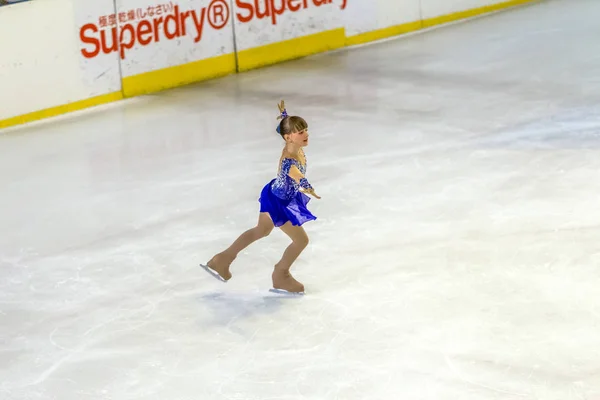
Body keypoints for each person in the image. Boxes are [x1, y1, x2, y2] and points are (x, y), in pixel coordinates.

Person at [201, 100, 320, 294]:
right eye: (301, 132)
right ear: (288, 138)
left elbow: (286, 129)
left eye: (306, 129)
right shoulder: (290, 161)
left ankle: (222, 259)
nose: (306, 134)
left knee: (261, 230)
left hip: (274, 193)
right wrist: (308, 188)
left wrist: (285, 117)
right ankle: (281, 275)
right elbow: (297, 176)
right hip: (280, 203)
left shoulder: (291, 144)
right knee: (301, 241)